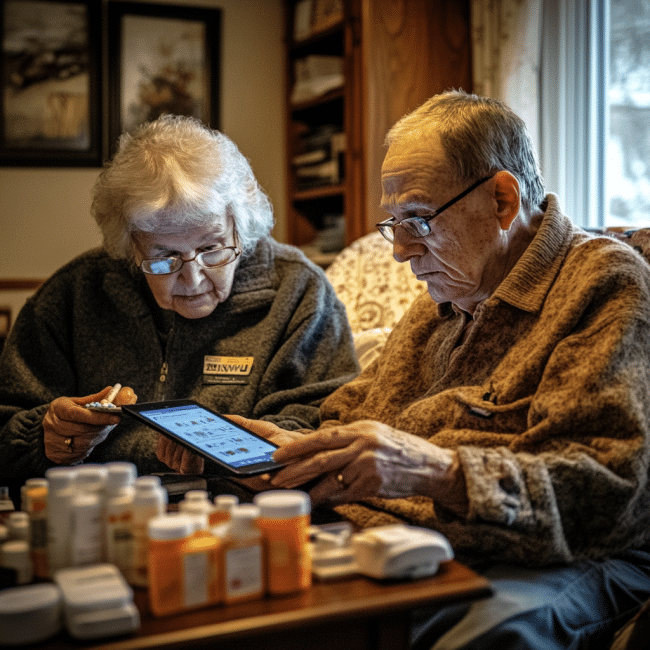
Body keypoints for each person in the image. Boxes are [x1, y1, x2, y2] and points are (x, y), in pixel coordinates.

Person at [235, 91, 650, 649]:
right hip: (405, 535)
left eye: (419, 220)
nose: (401, 251)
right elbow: (355, 413)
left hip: (567, 555)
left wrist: (431, 470)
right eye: (393, 224)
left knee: (481, 634)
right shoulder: (447, 295)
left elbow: (603, 493)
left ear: (503, 200)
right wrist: (292, 448)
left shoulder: (603, 284)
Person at [0, 114, 359, 489]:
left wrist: (242, 451)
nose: (193, 277)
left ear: (242, 226)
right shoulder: (74, 293)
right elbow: (6, 430)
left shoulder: (298, 291)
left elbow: (329, 423)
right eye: (164, 257)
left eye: (212, 248)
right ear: (129, 246)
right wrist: (43, 438)